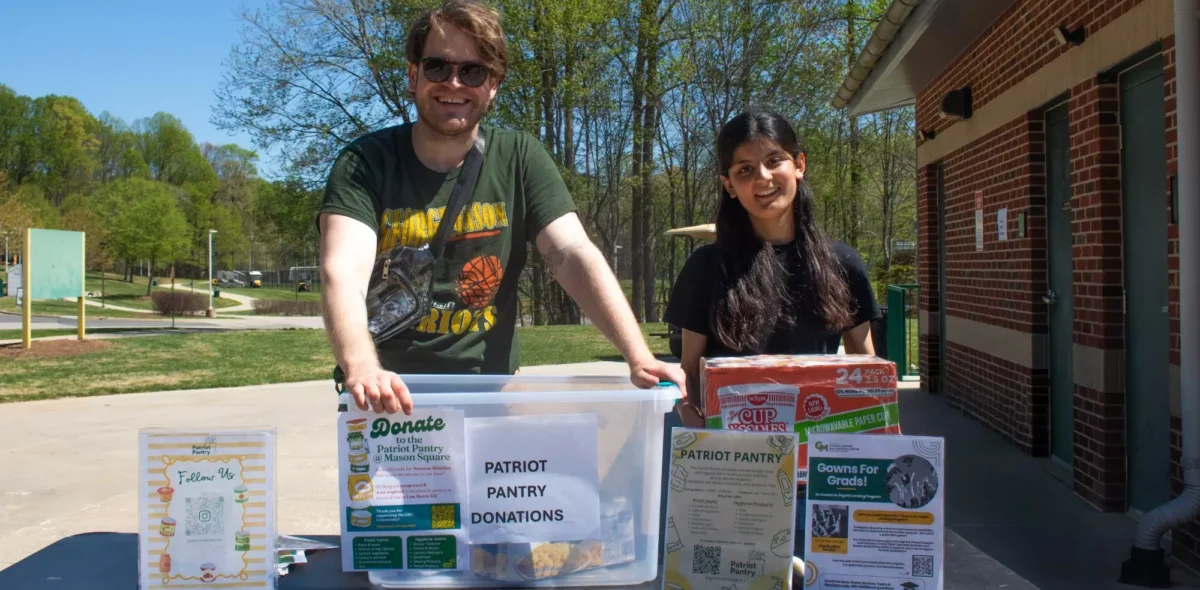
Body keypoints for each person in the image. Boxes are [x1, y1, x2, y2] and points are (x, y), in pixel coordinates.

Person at [318, 0, 684, 415]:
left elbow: (570, 253)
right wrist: (363, 366)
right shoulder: (365, 161)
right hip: (385, 397)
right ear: (413, 74)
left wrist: (639, 355)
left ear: (493, 85)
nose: (454, 83)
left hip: (488, 395)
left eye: (473, 71)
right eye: (438, 66)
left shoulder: (519, 156)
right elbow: (343, 269)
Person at [664, 109, 880, 425]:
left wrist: (880, 430)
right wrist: (689, 414)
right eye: (745, 169)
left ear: (799, 165)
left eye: (774, 161)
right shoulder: (705, 268)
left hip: (818, 446)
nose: (763, 177)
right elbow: (689, 371)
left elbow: (866, 368)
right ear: (729, 185)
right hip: (734, 454)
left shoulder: (842, 264)